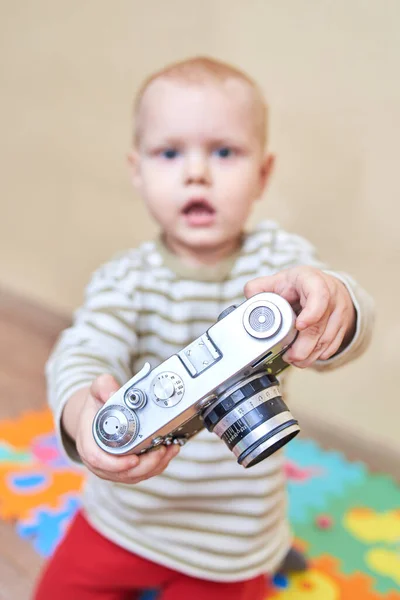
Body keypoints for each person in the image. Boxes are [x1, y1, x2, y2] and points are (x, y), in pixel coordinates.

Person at [34, 56, 374, 600]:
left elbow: (341, 331)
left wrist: (336, 306)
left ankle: (270, 554)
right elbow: (84, 349)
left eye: (224, 151)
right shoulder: (126, 278)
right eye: (170, 152)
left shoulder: (283, 265)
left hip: (231, 541)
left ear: (263, 173)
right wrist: (82, 416)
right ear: (138, 170)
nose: (197, 172)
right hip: (126, 517)